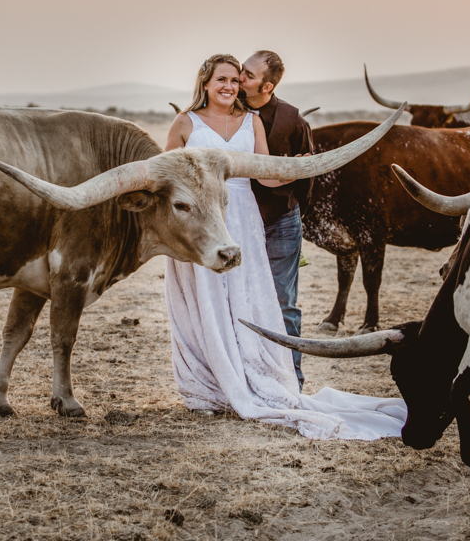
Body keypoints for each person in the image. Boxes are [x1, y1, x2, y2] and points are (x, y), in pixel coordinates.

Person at [163, 54, 406, 440]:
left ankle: (255, 378)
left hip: (244, 217)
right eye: (222, 79)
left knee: (248, 297)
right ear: (205, 82)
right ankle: (209, 385)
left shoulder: (251, 121)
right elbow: (167, 177)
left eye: (234, 80)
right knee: (205, 300)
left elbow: (266, 176)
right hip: (203, 222)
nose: (230, 86)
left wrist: (296, 167)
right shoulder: (185, 122)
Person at [239, 50, 310, 389]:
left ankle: (292, 380)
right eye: (242, 70)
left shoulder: (293, 120)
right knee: (239, 298)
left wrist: (294, 218)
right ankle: (246, 377)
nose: (240, 78)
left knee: (283, 302)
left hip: (280, 220)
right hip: (237, 220)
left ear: (266, 86)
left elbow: (306, 175)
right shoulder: (229, 110)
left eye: (248, 75)